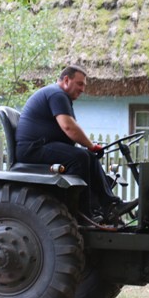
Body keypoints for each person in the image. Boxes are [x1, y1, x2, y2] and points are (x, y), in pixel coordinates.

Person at [15, 64, 137, 223]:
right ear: (66, 80)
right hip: (33, 149)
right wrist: (91, 145)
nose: (82, 89)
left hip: (41, 146)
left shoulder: (58, 96)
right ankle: (83, 214)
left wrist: (90, 149)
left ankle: (107, 204)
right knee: (80, 157)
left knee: (88, 156)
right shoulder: (56, 94)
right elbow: (69, 127)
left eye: (84, 85)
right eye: (80, 84)